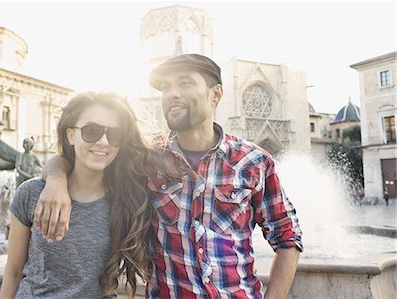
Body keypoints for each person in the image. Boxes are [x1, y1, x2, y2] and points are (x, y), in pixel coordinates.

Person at [36, 54, 303, 298]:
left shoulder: (253, 162)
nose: (172, 94)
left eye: (185, 84)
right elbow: (77, 157)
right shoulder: (144, 158)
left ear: (216, 94)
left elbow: (288, 238)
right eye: (165, 88)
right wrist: (56, 181)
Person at [0, 91, 162, 298]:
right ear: (71, 135)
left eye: (114, 135)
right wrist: (56, 178)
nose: (103, 141)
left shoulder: (128, 200)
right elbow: (13, 272)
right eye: (91, 131)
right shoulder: (31, 193)